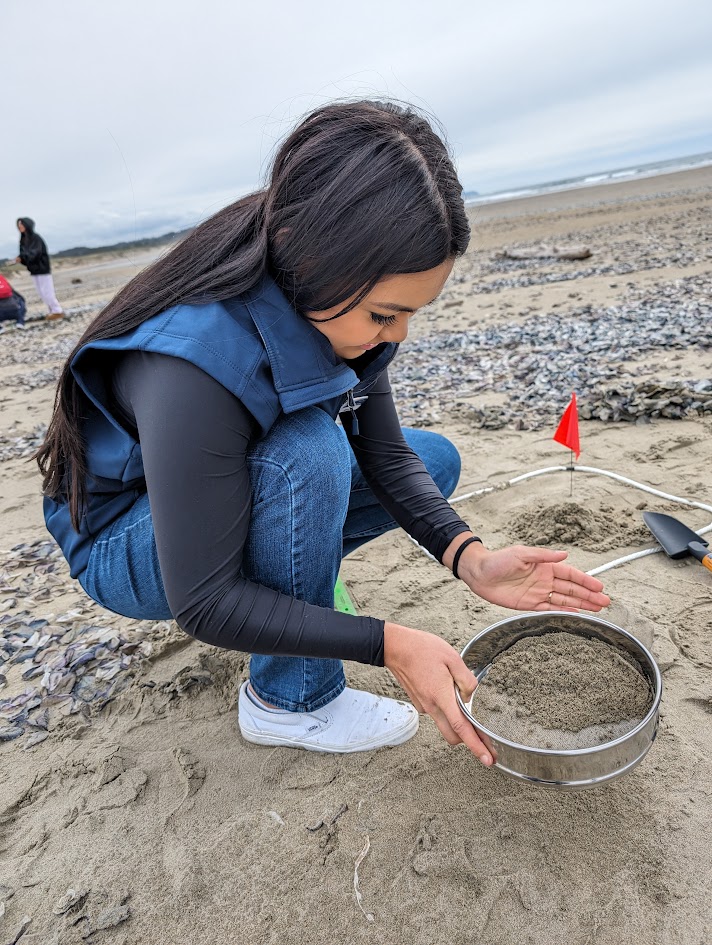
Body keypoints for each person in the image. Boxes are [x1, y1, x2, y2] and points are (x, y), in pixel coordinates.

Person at [36, 101, 610, 765]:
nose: (396, 335)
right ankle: (291, 701)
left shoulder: (330, 302)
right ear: (309, 255)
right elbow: (204, 601)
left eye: (410, 314)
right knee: (305, 455)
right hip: (125, 540)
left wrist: (470, 557)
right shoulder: (192, 360)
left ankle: (296, 576)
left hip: (220, 486)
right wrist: (388, 641)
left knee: (434, 459)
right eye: (384, 313)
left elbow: (388, 454)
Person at [14, 217, 64, 320]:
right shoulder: (23, 239)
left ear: (27, 225)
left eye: (22, 225)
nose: (20, 227)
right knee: (41, 292)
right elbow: (26, 255)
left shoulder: (35, 238)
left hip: (42, 269)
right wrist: (21, 259)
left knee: (47, 291)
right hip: (33, 270)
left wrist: (24, 257)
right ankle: (52, 310)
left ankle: (57, 310)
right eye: (19, 225)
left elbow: (35, 253)